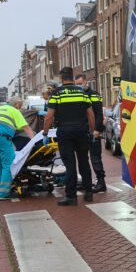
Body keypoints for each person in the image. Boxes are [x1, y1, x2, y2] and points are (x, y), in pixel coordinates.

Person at [43, 67, 97, 206]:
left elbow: (49, 116)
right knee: (84, 162)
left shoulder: (56, 94)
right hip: (81, 130)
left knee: (70, 164)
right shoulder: (82, 92)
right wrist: (91, 131)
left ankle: (71, 197)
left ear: (61, 78)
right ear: (72, 77)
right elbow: (90, 114)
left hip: (65, 131)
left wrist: (45, 133)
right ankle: (89, 193)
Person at [0, 98, 35, 199]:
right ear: (16, 104)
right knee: (8, 165)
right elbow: (25, 127)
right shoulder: (14, 111)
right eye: (20, 106)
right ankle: (3, 194)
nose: (20, 108)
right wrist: (34, 140)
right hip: (2, 139)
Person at [75, 74, 107, 193]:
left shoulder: (94, 95)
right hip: (82, 131)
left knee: (95, 158)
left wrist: (97, 130)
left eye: (80, 84)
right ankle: (86, 182)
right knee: (82, 158)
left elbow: (99, 114)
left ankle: (101, 183)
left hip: (93, 131)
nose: (78, 86)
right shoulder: (78, 95)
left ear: (86, 82)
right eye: (76, 84)